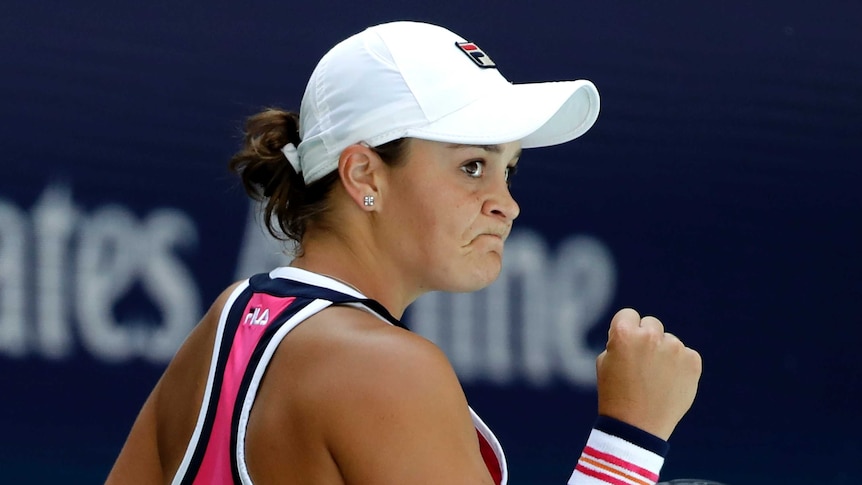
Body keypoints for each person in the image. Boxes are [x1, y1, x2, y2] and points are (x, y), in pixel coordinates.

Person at [106, 21, 702, 485]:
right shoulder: (389, 368)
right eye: (473, 166)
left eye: (509, 171)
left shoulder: (229, 320)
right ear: (364, 173)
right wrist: (630, 436)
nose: (506, 204)